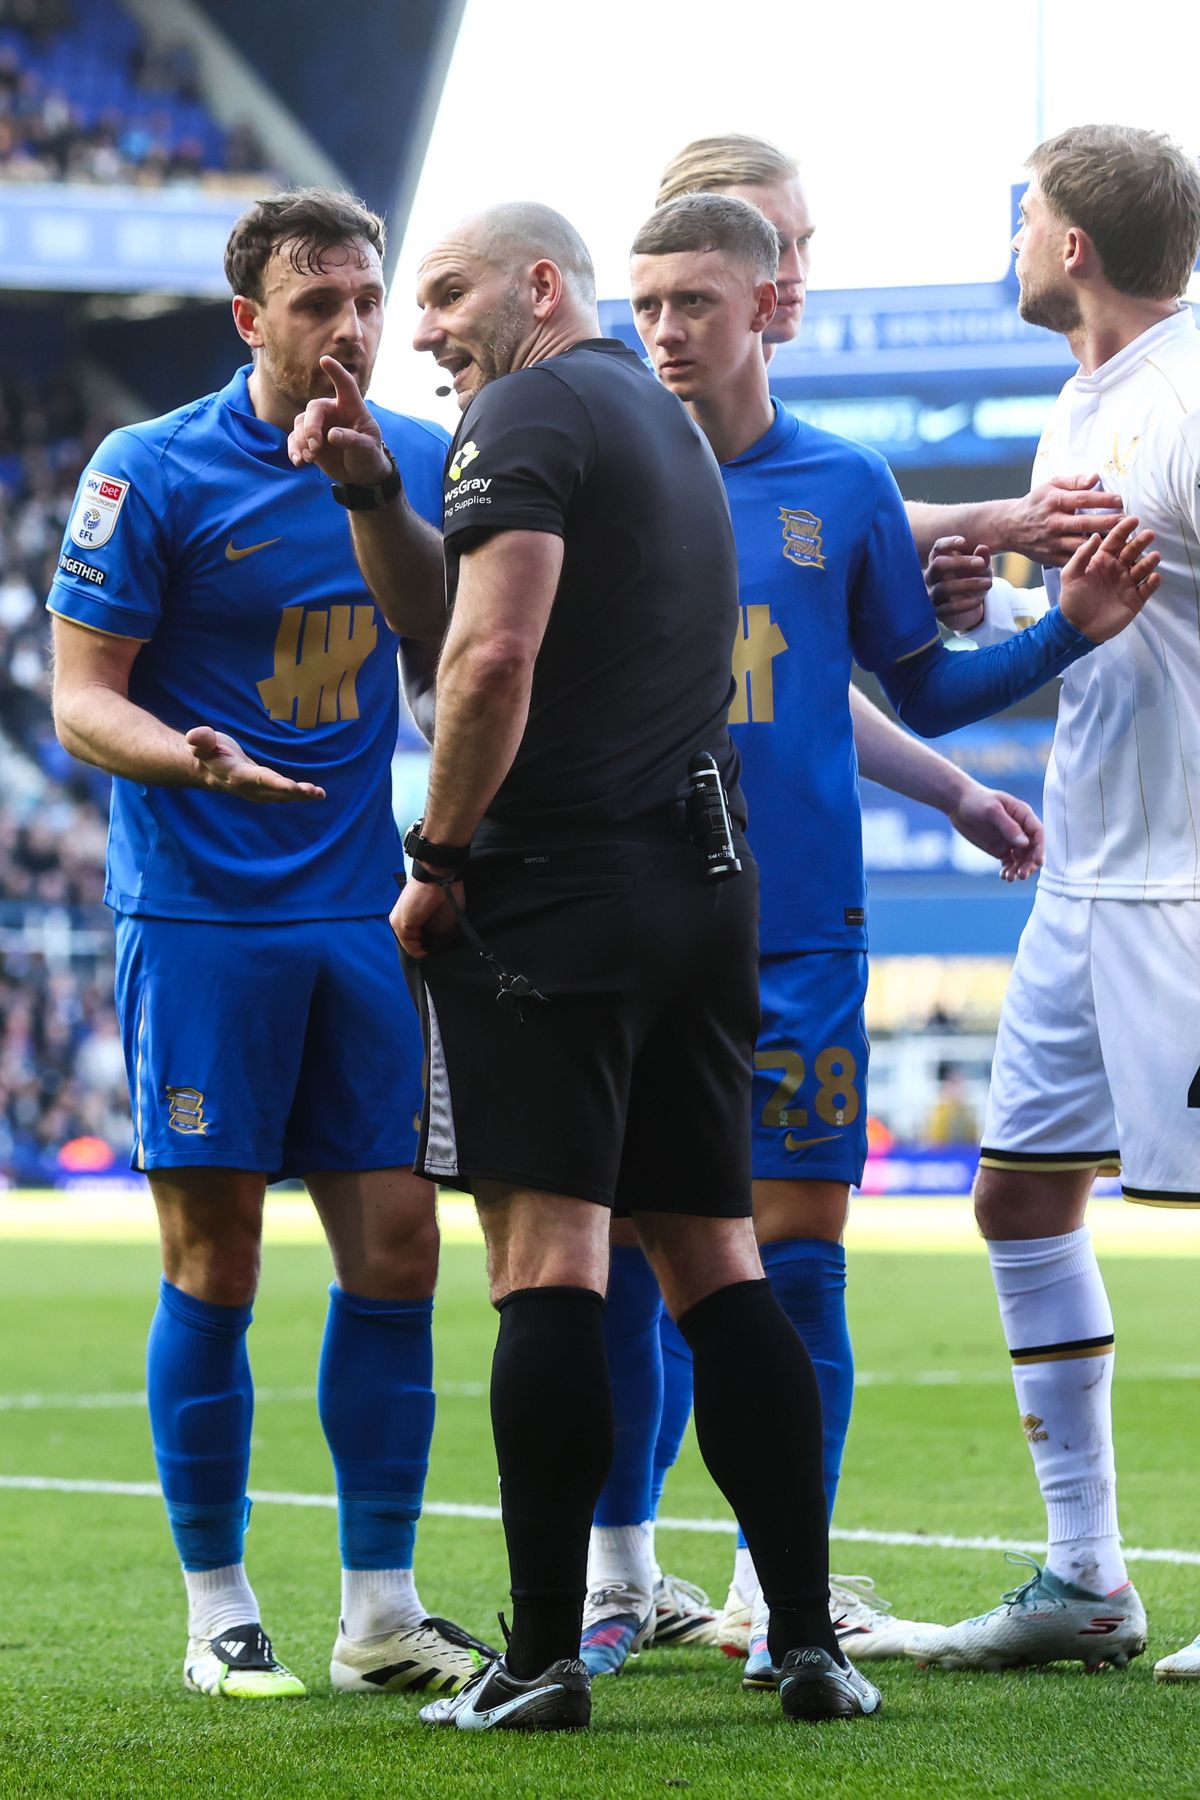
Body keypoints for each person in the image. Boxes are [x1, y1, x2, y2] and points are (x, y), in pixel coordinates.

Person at [290, 197, 887, 1731]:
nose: (418, 329)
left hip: (561, 889)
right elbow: (460, 608)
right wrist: (373, 494)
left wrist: (436, 866)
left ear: (535, 287)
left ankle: (543, 1656)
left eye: (440, 294)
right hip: (705, 887)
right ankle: (806, 1640)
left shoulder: (531, 406)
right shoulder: (652, 418)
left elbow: (488, 658)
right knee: (712, 1252)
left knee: (544, 1256)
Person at [581, 134, 1142, 1680]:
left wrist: (1064, 638)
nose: (671, 330)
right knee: (624, 1263)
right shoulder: (593, 464)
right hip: (628, 925)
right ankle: (619, 1573)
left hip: (798, 930)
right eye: (650, 305)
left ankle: (785, 1598)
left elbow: (925, 684)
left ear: (767, 305)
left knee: (795, 1258)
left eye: (700, 299)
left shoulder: (841, 481)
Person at [47, 188, 495, 1701]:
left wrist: (375, 495)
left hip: (359, 908)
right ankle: (216, 1606)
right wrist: (190, 757)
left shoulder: (418, 459)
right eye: (320, 304)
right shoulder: (147, 468)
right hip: (199, 914)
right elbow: (77, 698)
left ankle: (380, 1611)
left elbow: (442, 641)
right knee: (217, 1261)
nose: (354, 328)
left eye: (367, 298)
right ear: (253, 322)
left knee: (401, 1247)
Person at [907, 122, 1200, 1679]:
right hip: (1091, 875)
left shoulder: (1195, 394)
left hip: (1193, 883)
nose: (1012, 238)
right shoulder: (1082, 407)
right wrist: (1000, 603)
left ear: (1072, 242)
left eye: (1024, 216)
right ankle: (1087, 1580)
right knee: (1020, 1193)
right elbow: (1127, 633)